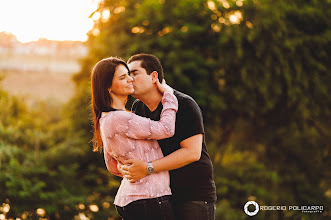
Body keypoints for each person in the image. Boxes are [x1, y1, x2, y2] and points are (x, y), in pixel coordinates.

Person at [119, 53, 217, 220]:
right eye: (127, 75)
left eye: (135, 73)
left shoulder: (184, 104)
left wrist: (148, 168)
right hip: (159, 196)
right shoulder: (138, 108)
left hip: (193, 195)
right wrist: (125, 168)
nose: (130, 79)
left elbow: (192, 153)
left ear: (154, 76)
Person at [90, 57, 178, 220]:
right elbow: (166, 129)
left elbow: (112, 166)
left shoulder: (105, 119)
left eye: (129, 74)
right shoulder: (121, 119)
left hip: (134, 200)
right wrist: (169, 96)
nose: (130, 79)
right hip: (149, 198)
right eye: (123, 77)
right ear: (108, 87)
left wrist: (128, 169)